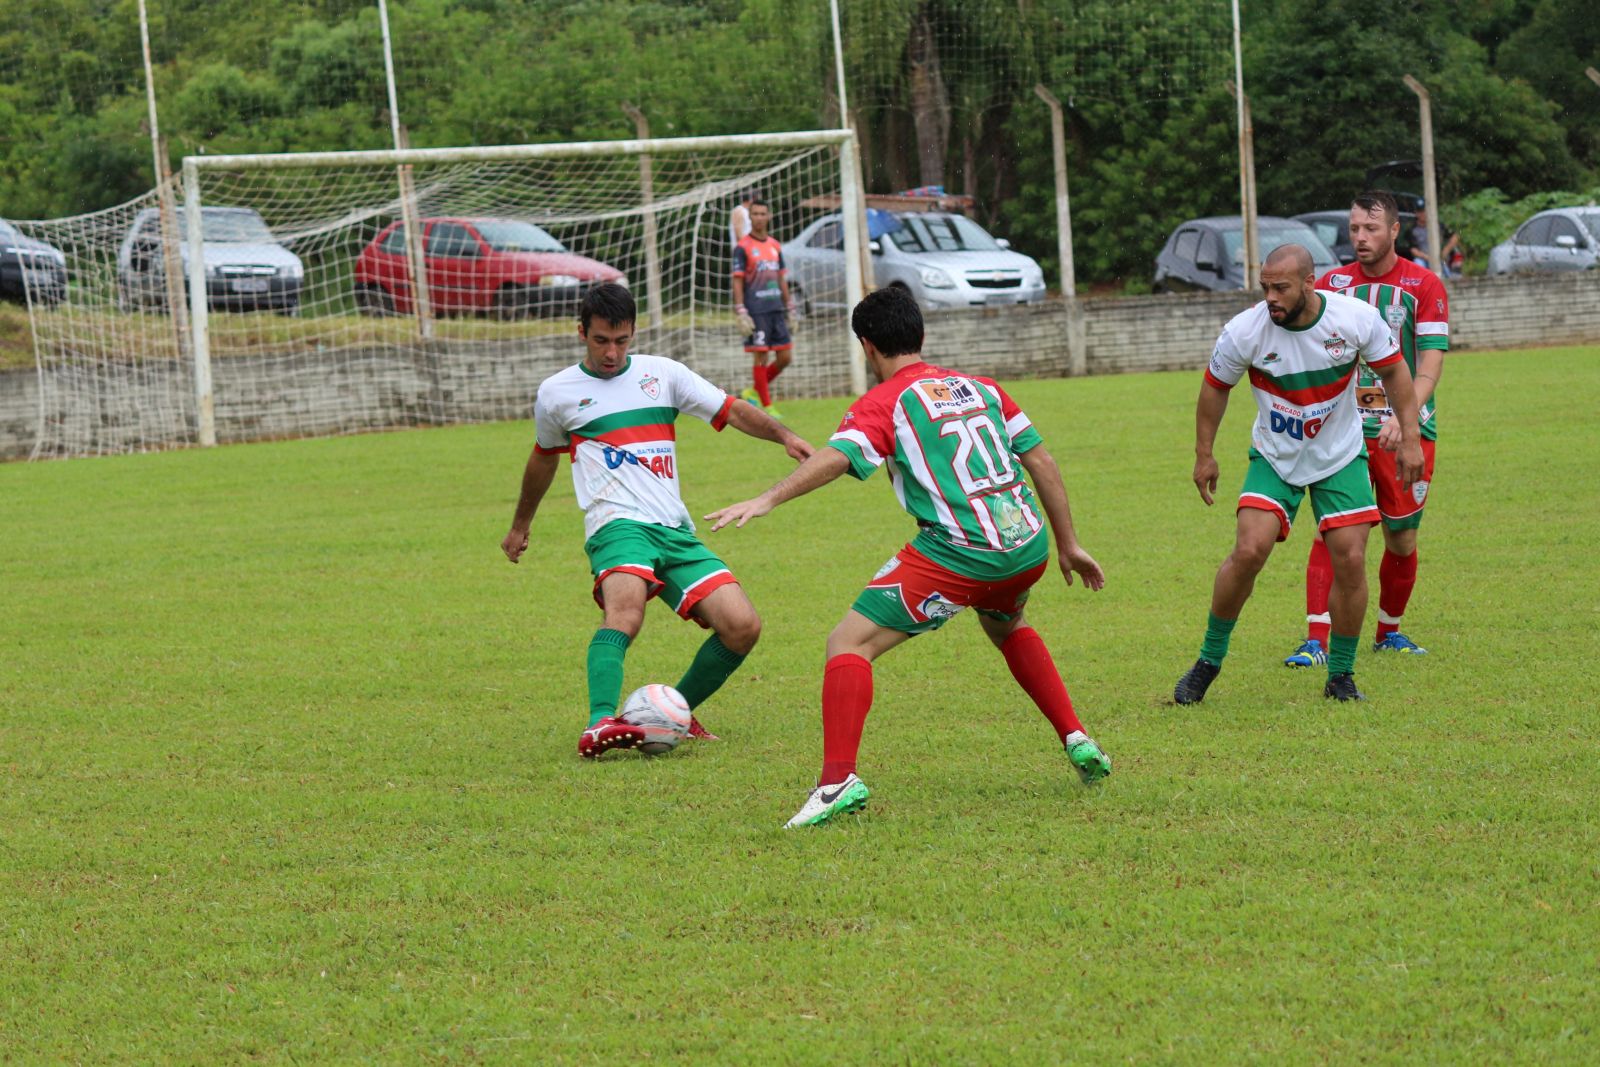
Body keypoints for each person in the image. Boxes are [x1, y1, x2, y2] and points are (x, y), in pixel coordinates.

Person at [706, 286, 1112, 828]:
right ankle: (1077, 738)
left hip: (962, 553)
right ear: (920, 333)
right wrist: (1069, 544)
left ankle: (836, 783)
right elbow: (1041, 460)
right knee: (1006, 623)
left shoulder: (885, 402)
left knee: (848, 643)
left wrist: (768, 498)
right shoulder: (981, 387)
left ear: (867, 346)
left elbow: (839, 457)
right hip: (1027, 544)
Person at [501, 282, 814, 758]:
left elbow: (731, 410)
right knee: (626, 612)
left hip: (672, 528)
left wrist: (785, 437)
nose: (612, 353)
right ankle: (599, 722)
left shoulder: (663, 375)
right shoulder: (557, 393)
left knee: (742, 626)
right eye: (601, 340)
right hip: (616, 524)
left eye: (621, 340)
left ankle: (672, 713)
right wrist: (520, 525)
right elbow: (544, 458)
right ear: (581, 332)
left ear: (633, 333)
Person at [1174, 244, 1424, 706]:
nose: (1271, 297)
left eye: (1281, 288)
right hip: (1276, 457)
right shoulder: (1244, 331)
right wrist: (1204, 454)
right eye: (1265, 287)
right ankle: (1208, 661)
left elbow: (1395, 374)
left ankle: (1341, 675)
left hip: (1339, 455)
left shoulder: (1354, 320)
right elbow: (1214, 388)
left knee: (1350, 558)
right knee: (1249, 550)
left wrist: (1411, 438)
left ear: (1309, 283)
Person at [1283, 190, 1450, 669]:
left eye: (1371, 228)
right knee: (1333, 532)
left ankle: (1388, 633)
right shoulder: (1332, 285)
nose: (1360, 237)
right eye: (1354, 228)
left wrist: (1405, 417)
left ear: (1394, 230)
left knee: (1401, 537)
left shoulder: (1423, 284)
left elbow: (1430, 363)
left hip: (1407, 430)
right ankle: (1316, 640)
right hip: (1345, 432)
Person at [731, 199, 797, 417]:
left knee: (785, 357)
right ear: (750, 218)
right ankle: (767, 405)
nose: (759, 218)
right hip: (756, 309)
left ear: (769, 216)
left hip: (776, 308)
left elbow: (781, 278)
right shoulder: (742, 247)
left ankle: (753, 391)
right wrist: (740, 309)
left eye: (763, 214)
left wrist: (790, 306)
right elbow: (737, 280)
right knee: (761, 357)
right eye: (755, 214)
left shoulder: (775, 245)